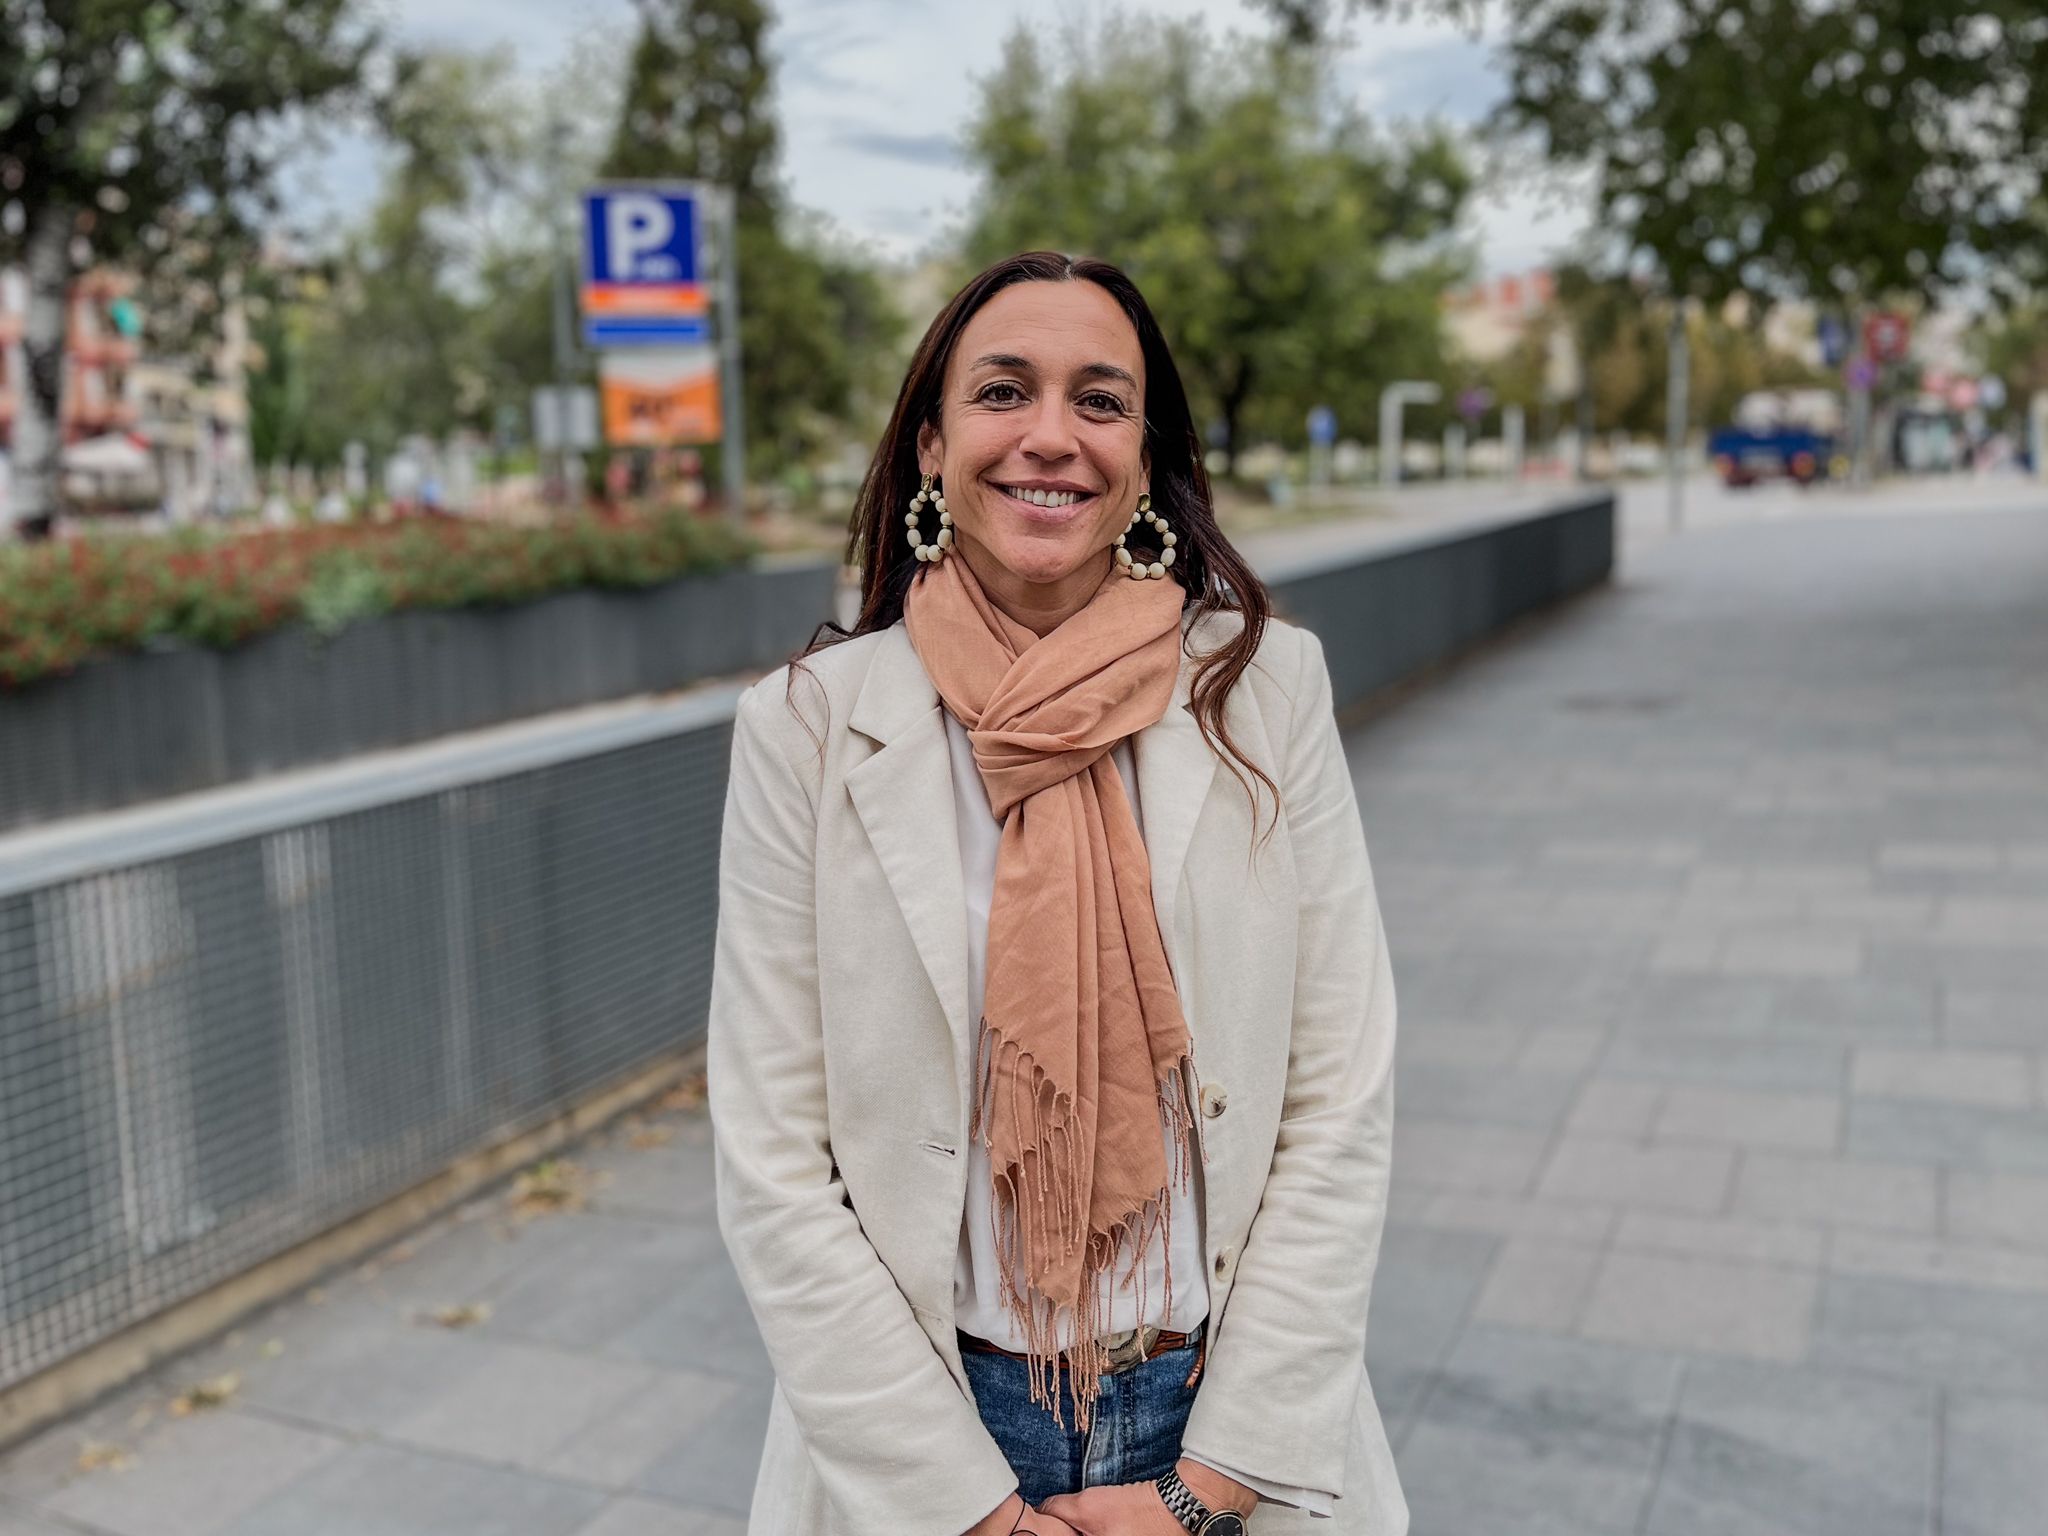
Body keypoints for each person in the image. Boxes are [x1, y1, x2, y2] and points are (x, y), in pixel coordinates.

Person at [708, 251, 1404, 1535]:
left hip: (1217, 1417)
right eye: (1001, 391)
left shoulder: (1263, 690)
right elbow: (770, 1160)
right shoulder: (805, 728)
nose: (1050, 435)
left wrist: (1208, 1487)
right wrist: (968, 1510)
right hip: (927, 1440)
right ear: (931, 446)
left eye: (1099, 401)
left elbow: (1337, 1095)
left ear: (1144, 458)